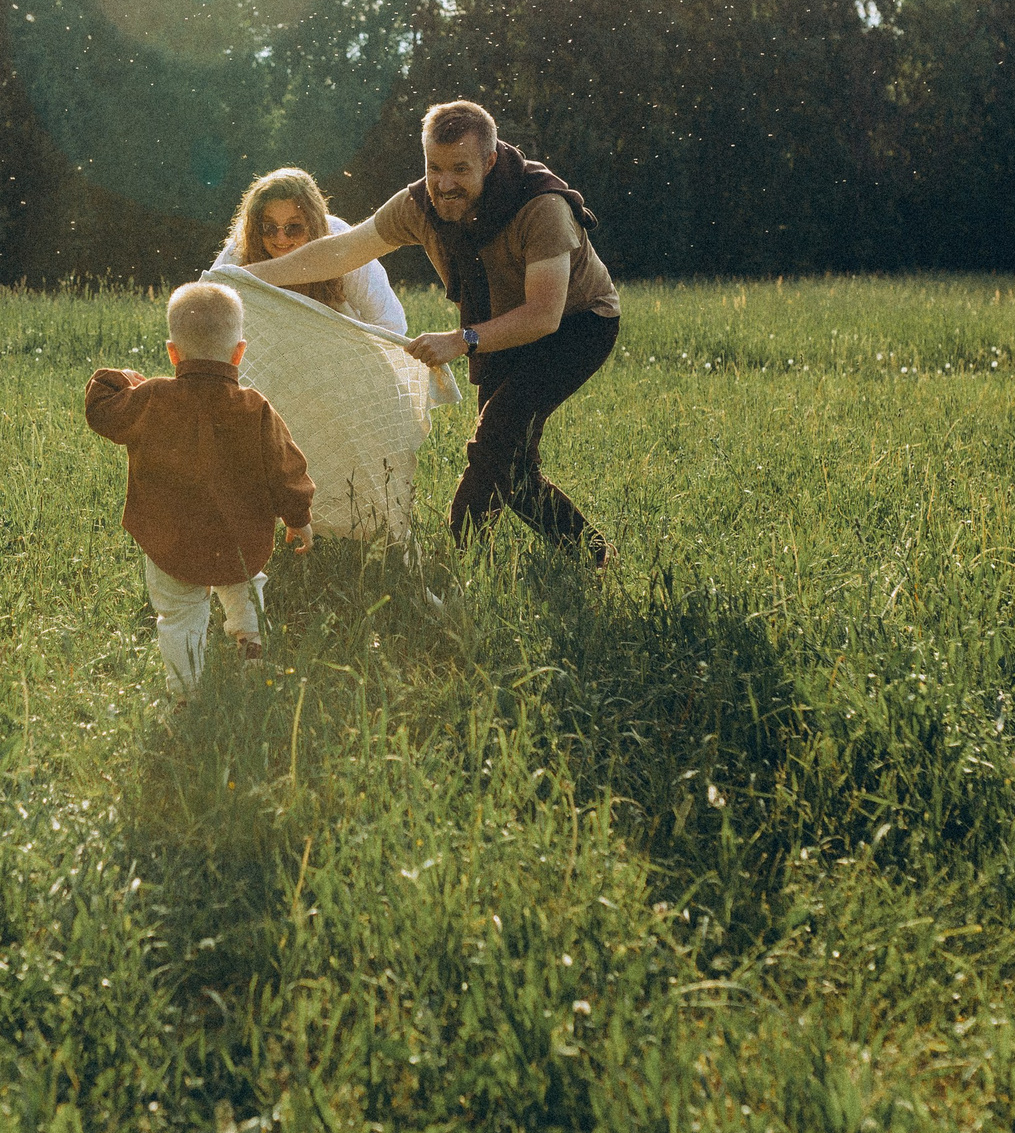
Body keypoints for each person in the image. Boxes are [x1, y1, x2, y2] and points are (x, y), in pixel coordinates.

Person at [239, 99, 620, 566]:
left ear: (490, 160)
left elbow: (543, 315)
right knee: (511, 467)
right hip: (497, 326)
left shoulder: (541, 206)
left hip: (577, 326)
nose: (444, 183)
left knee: (493, 445)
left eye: (460, 168)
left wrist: (460, 341)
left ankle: (458, 560)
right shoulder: (419, 204)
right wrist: (252, 279)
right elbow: (340, 252)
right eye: (434, 167)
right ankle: (596, 556)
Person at [85, 281, 316, 693]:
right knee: (245, 583)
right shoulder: (255, 408)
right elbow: (287, 468)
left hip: (171, 540)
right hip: (239, 537)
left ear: (173, 352)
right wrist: (298, 517)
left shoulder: (151, 397)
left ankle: (185, 693)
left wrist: (124, 380)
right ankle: (252, 643)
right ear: (239, 351)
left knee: (179, 615)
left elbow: (101, 409)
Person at [211, 168, 407, 335]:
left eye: (293, 227)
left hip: (347, 355)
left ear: (313, 225)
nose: (281, 239)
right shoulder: (240, 251)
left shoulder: (341, 243)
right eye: (269, 228)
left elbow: (391, 324)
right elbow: (204, 305)